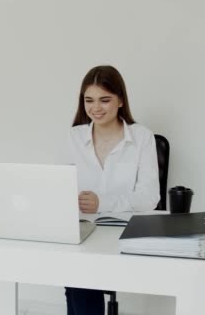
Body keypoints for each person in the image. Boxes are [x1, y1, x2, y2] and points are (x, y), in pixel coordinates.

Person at [64, 65, 160, 315]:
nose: (96, 107)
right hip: (81, 231)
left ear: (120, 101)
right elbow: (59, 187)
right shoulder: (74, 137)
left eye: (105, 99)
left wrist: (102, 202)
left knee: (79, 277)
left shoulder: (142, 138)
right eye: (89, 100)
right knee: (75, 272)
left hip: (124, 233)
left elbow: (150, 198)